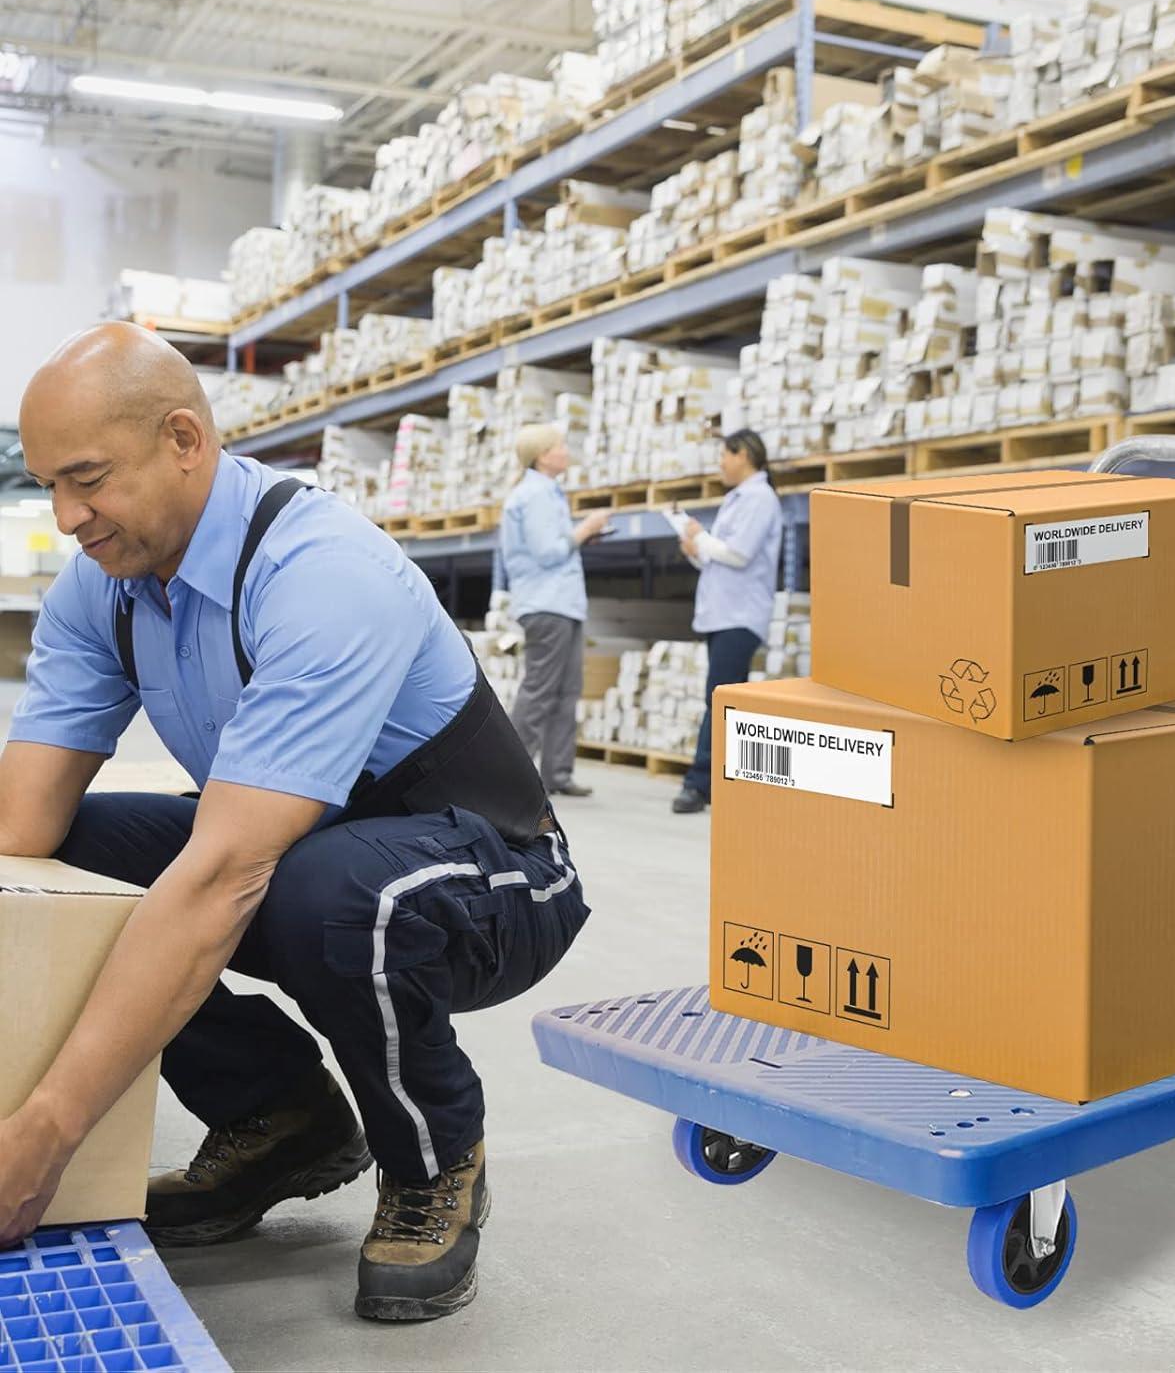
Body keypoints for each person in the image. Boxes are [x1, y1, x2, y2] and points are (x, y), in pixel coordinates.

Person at [0, 324, 590, 1324]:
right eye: (50, 483)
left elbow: (227, 873)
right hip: (305, 854)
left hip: (496, 877)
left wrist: (51, 1129)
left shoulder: (318, 572)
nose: (67, 518)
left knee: (328, 894)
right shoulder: (106, 589)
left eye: (88, 478)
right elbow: (22, 831)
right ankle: (278, 1117)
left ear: (185, 438)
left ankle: (433, 1155)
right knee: (75, 861)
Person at [673, 429, 783, 815]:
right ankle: (719, 781)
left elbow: (738, 554)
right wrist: (696, 548)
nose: (720, 463)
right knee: (722, 697)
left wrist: (700, 537)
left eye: (724, 454)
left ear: (744, 456)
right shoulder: (739, 499)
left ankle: (698, 784)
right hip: (723, 612)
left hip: (741, 614)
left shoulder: (759, 498)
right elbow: (719, 557)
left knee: (718, 698)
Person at [501, 424, 609, 798]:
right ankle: (507, 773)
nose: (566, 451)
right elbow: (548, 551)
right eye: (560, 446)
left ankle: (557, 774)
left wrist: (580, 536)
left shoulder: (546, 492)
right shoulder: (535, 494)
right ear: (544, 455)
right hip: (547, 603)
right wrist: (586, 528)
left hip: (562, 603)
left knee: (566, 690)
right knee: (540, 691)